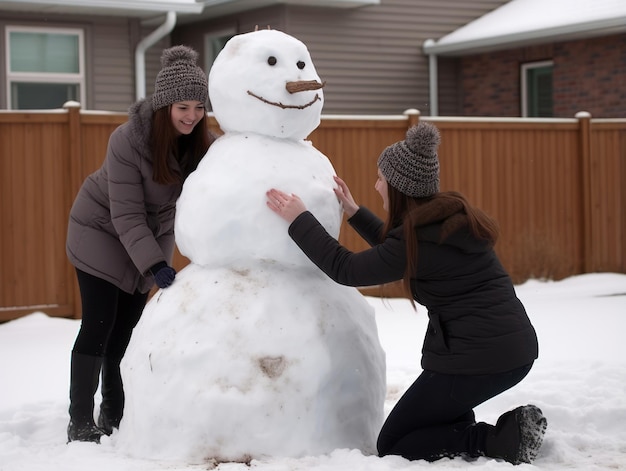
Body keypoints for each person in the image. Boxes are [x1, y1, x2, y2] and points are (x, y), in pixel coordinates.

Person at [266, 121, 547, 465]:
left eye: (381, 180)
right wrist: (355, 214)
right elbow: (403, 251)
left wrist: (300, 219)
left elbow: (347, 269)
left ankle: (498, 441)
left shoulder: (422, 237)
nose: (376, 185)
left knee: (395, 442)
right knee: (426, 419)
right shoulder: (447, 220)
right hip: (506, 351)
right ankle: (476, 430)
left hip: (479, 359)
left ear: (399, 189)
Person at [65, 45, 215, 443]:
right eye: (183, 106)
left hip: (148, 235)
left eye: (199, 107)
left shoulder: (201, 143)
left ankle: (114, 411)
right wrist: (154, 265)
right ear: (165, 105)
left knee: (127, 329)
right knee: (99, 323)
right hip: (100, 229)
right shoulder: (128, 140)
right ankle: (79, 420)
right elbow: (126, 214)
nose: (191, 115)